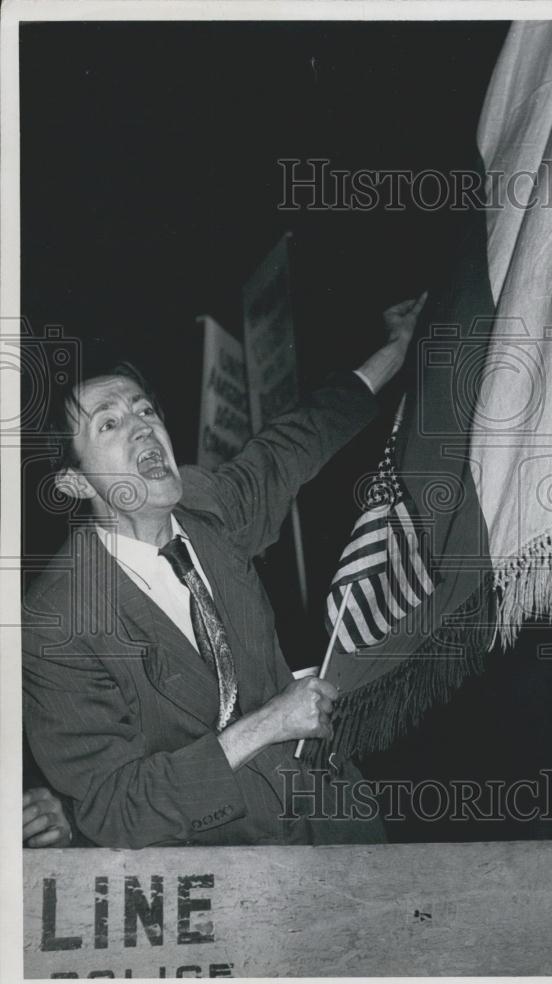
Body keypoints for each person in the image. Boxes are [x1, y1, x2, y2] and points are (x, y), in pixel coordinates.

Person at [23, 293, 428, 849]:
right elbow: (118, 805)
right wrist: (270, 724)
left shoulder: (208, 504)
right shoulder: (56, 618)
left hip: (341, 825)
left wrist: (395, 351)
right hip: (229, 879)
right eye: (110, 424)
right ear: (73, 482)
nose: (143, 428)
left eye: (145, 410)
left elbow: (296, 441)